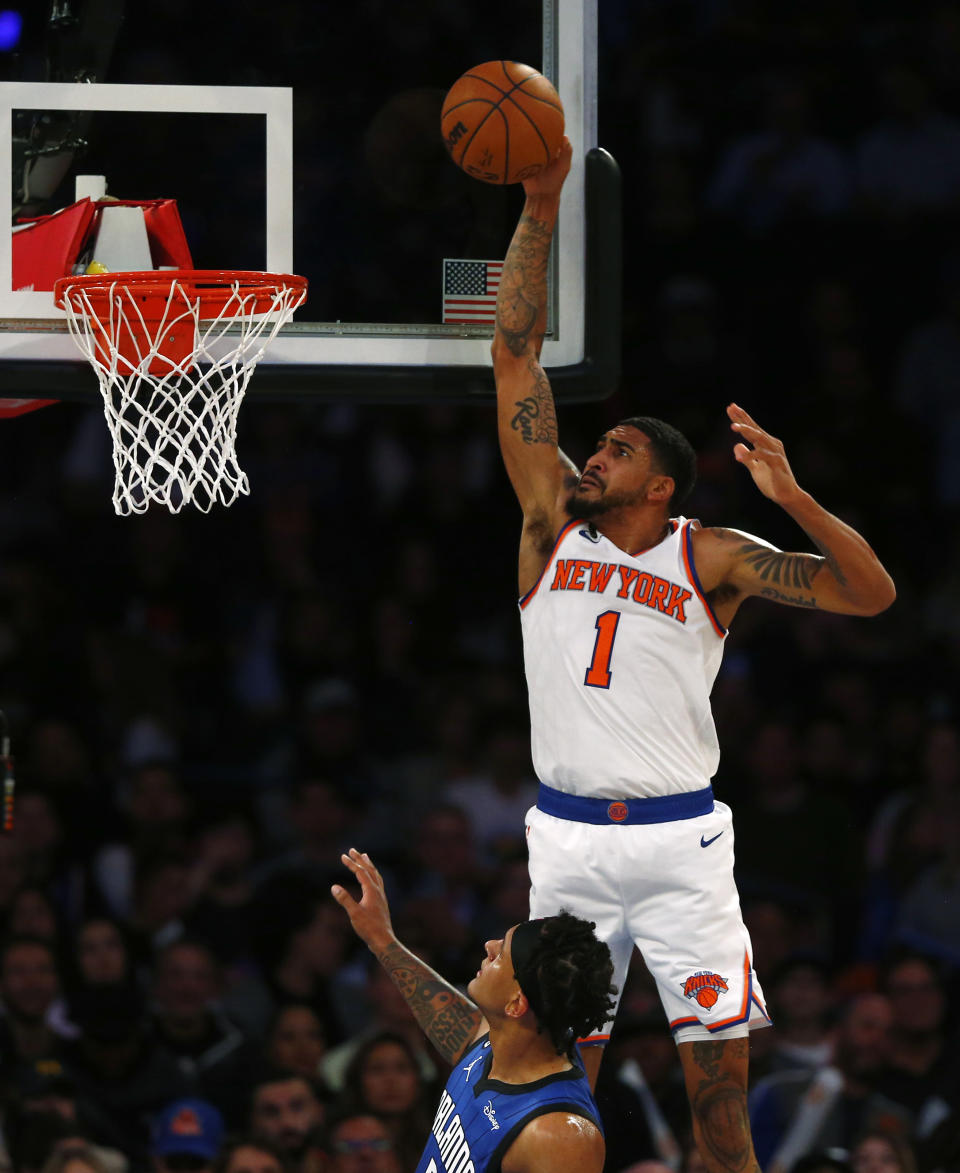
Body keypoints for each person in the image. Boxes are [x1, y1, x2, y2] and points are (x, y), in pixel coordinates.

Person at [488, 137, 896, 1173]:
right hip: (570, 848)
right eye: (597, 443)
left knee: (721, 1116)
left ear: (663, 483)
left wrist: (795, 500)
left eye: (618, 448)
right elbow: (515, 354)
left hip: (682, 852)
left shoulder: (710, 554)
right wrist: (541, 201)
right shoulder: (548, 529)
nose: (593, 453)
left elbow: (869, 593)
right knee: (539, 1095)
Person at [331, 846, 617, 1173]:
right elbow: (452, 1023)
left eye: (502, 954)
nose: (489, 946)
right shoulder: (496, 1042)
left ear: (516, 1004)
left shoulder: (559, 1134)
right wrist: (382, 940)